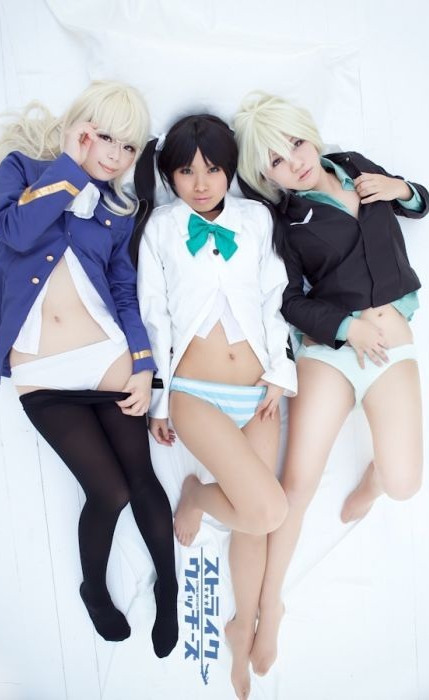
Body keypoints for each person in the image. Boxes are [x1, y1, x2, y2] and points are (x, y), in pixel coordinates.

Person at [0, 80, 178, 657]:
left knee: (141, 478)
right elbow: (13, 231)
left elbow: (123, 291)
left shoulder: (119, 210)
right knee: (108, 490)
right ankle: (94, 588)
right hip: (41, 368)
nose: (115, 154)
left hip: (106, 356)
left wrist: (142, 365)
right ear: (80, 128)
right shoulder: (25, 170)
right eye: (106, 137)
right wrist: (68, 164)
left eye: (129, 147)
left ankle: (169, 586)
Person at [233, 90, 429, 673]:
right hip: (331, 351)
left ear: (310, 134)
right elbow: (291, 302)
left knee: (404, 485)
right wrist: (347, 328)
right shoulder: (284, 224)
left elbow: (419, 204)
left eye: (295, 142)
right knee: (296, 485)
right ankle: (270, 606)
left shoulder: (358, 166)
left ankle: (375, 480)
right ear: (266, 176)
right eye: (275, 160)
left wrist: (402, 189)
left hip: (391, 341)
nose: (293, 161)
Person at [133, 113, 297, 699]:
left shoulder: (255, 219)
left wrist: (280, 372)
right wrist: (158, 402)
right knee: (267, 510)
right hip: (195, 392)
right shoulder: (161, 228)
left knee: (256, 523)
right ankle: (198, 496)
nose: (200, 183)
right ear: (169, 176)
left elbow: (277, 298)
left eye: (212, 169)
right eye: (186, 171)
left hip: (257, 390)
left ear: (230, 170)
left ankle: (241, 625)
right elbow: (154, 315)